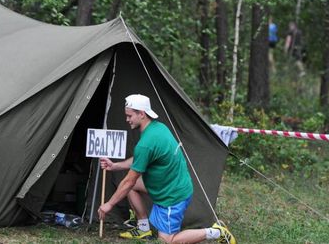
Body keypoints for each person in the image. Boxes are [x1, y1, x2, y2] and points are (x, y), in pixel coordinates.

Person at [98, 94, 236, 244]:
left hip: (172, 195)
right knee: (131, 187)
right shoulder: (158, 127)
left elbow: (129, 181)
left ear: (142, 114)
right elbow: (141, 159)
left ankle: (216, 232)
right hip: (169, 184)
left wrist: (108, 205)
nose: (127, 119)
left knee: (168, 240)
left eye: (129, 115)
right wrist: (115, 165)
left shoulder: (147, 143)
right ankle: (143, 228)